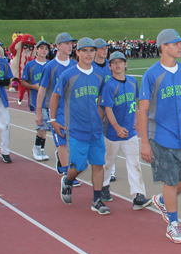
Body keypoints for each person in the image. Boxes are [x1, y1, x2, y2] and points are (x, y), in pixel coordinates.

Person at [138, 29, 181, 244]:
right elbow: (143, 110)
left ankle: (163, 200)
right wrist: (144, 142)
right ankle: (173, 224)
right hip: (161, 136)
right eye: (176, 44)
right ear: (164, 47)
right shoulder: (152, 75)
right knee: (171, 181)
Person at [51, 37, 110, 215]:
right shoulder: (68, 75)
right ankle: (67, 181)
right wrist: (53, 120)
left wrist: (101, 115)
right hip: (76, 130)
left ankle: (97, 200)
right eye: (84, 50)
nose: (88, 54)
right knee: (79, 166)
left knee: (99, 164)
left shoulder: (99, 75)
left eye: (91, 50)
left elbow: (102, 97)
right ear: (77, 53)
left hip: (96, 130)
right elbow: (55, 96)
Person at [100, 51, 151, 209]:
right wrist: (116, 127)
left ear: (125, 64)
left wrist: (135, 118)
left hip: (130, 132)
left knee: (134, 163)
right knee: (108, 162)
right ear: (110, 66)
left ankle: (138, 195)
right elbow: (107, 109)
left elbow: (133, 102)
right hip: (112, 133)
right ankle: (103, 186)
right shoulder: (109, 85)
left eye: (120, 62)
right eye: (114, 62)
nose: (117, 65)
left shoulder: (133, 82)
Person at [35, 32, 80, 186]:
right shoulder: (50, 67)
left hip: (74, 110)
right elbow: (42, 90)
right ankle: (68, 174)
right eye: (66, 43)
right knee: (62, 142)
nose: (70, 46)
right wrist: (39, 112)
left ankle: (63, 163)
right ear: (58, 46)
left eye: (71, 43)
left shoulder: (75, 65)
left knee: (73, 141)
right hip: (56, 110)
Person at [21, 40, 50, 161]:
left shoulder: (51, 64)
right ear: (36, 50)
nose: (44, 50)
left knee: (46, 126)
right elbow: (23, 81)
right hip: (38, 99)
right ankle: (37, 147)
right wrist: (34, 87)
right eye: (41, 48)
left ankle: (41, 148)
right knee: (42, 125)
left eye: (46, 48)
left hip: (50, 100)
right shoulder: (30, 65)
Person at [94, 38, 117, 182]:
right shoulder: (90, 67)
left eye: (106, 48)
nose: (105, 50)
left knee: (110, 138)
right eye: (101, 48)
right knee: (96, 137)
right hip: (94, 107)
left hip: (110, 106)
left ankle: (110, 168)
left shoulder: (110, 66)